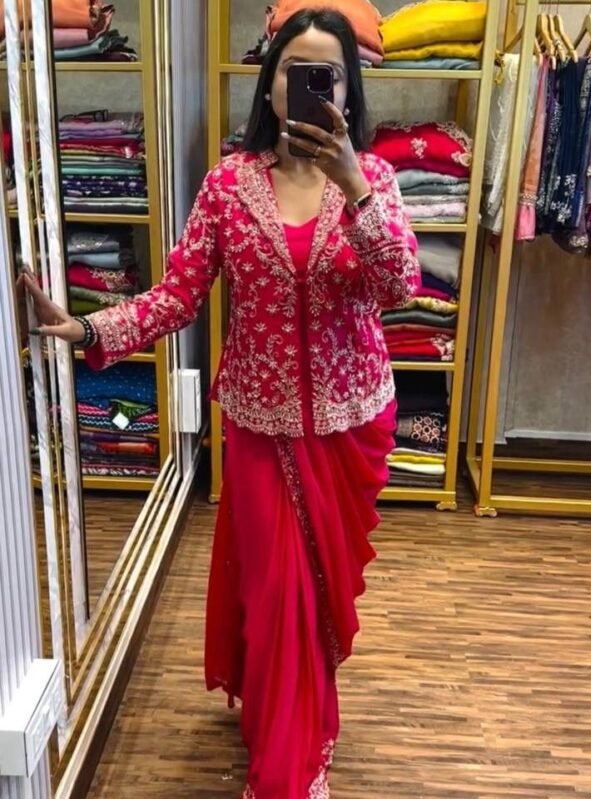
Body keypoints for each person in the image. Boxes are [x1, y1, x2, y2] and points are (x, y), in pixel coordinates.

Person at [23, 8, 420, 798]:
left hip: (349, 423)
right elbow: (178, 295)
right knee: (276, 595)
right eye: (295, 70)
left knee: (318, 598)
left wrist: (351, 184)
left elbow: (399, 285)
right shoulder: (228, 185)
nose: (310, 86)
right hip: (260, 424)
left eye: (328, 74)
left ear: (348, 89)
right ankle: (286, 768)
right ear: (270, 84)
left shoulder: (373, 179)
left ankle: (295, 713)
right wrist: (90, 326)